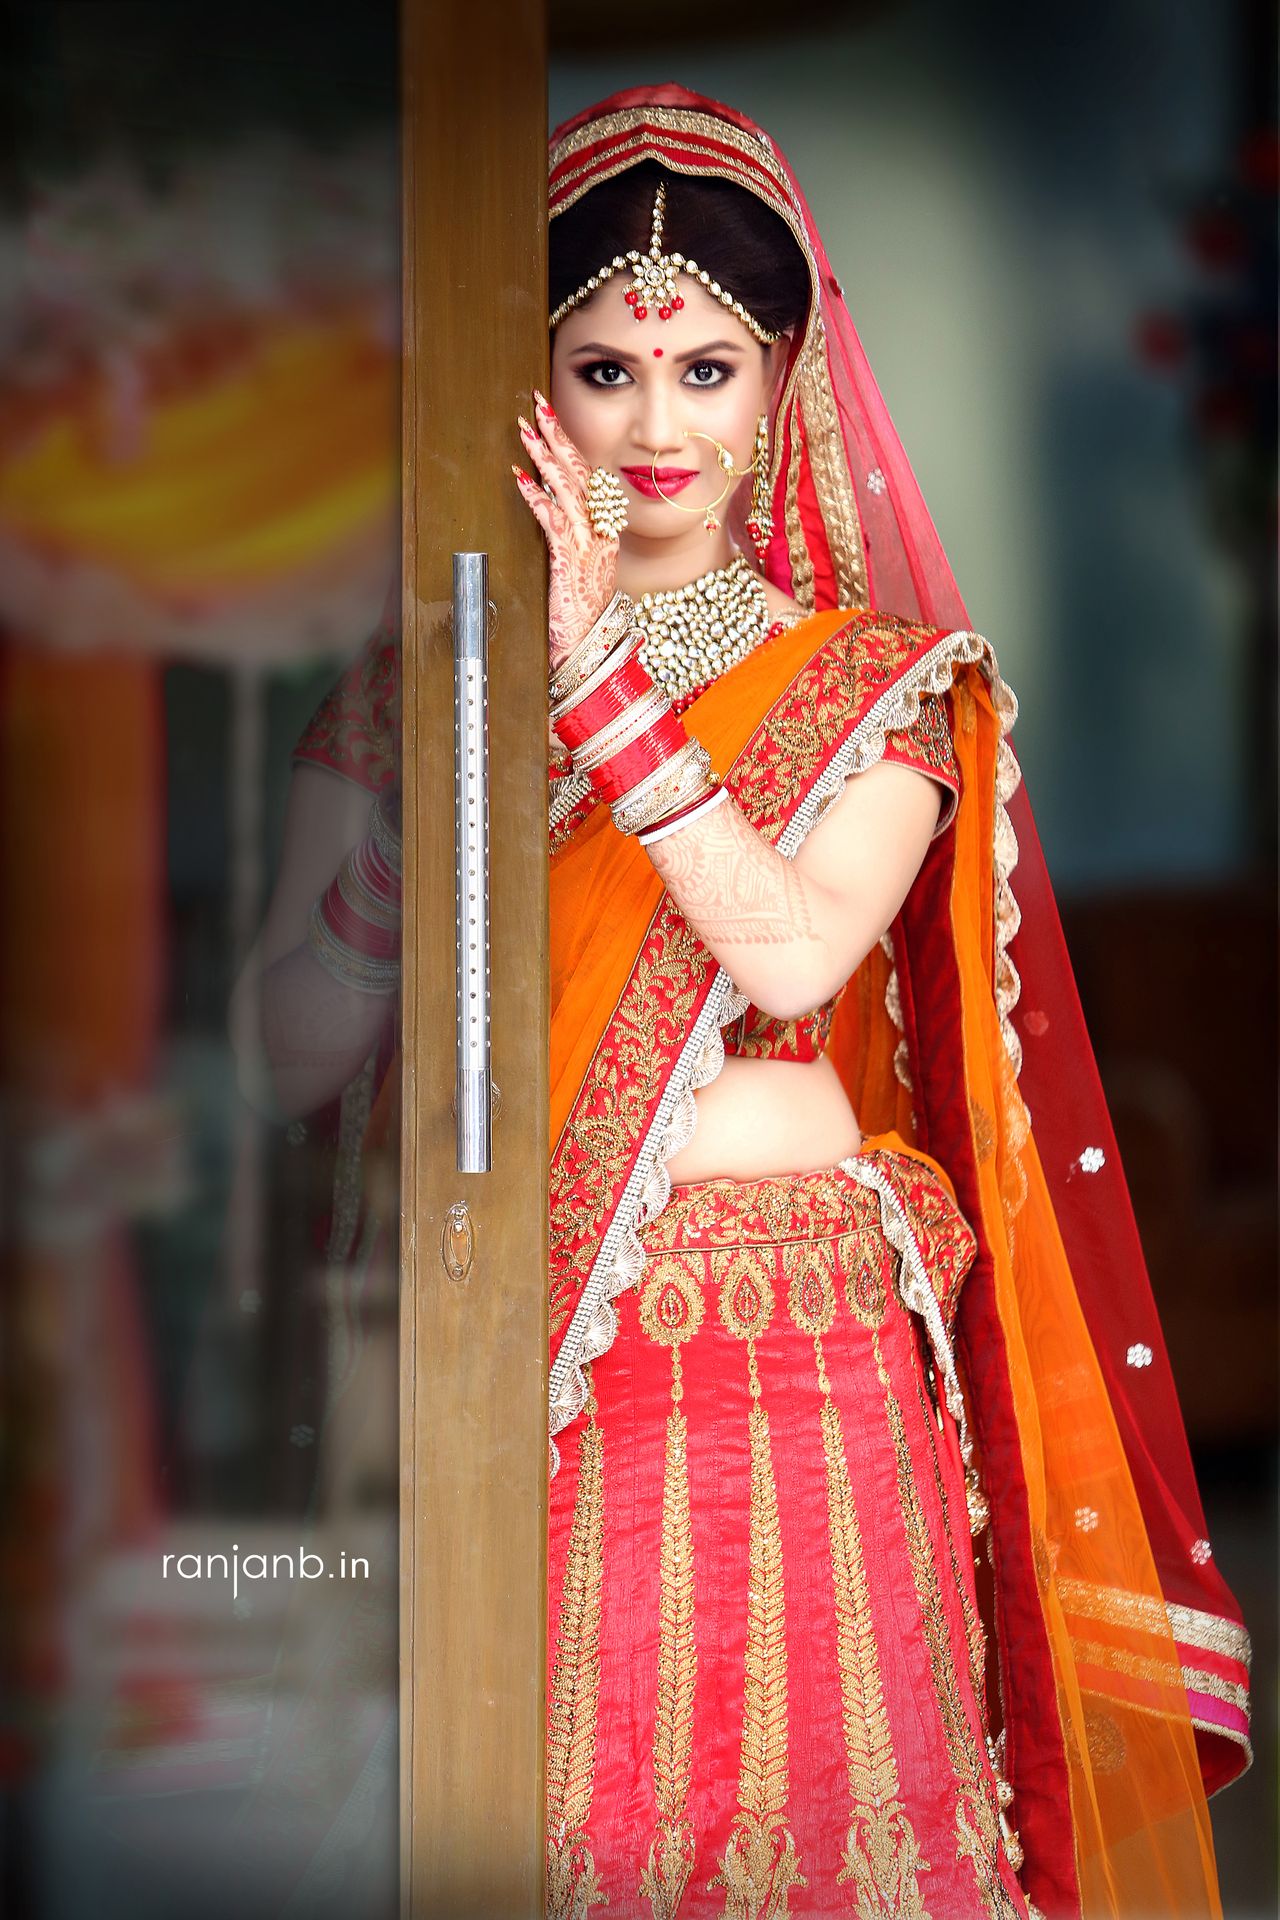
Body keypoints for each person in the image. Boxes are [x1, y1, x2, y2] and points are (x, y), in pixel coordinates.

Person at [237, 83, 1252, 1920]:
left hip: (794, 1367)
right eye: (605, 365)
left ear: (782, 390)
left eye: (706, 370)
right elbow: (281, 1050)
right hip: (501, 1357)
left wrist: (599, 689)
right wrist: (434, 807)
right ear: (531, 377)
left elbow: (790, 952)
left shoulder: (871, 684)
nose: (651, 423)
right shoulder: (414, 682)